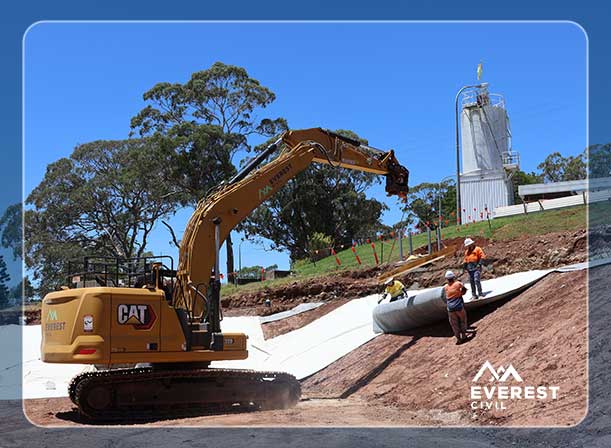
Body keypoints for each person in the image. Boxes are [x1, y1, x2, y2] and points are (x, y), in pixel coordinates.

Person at [444, 270, 468, 344]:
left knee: (454, 324)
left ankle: (458, 338)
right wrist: (460, 293)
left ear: (447, 279)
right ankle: (464, 335)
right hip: (458, 306)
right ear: (453, 277)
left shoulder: (445, 287)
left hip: (450, 308)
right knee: (463, 320)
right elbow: (464, 289)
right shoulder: (458, 284)